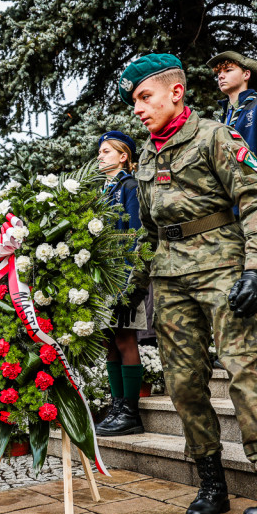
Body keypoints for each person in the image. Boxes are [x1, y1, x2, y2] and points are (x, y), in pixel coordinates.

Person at [118, 53, 257, 514]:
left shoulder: (214, 136)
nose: (137, 108)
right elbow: (148, 233)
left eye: (144, 97)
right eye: (134, 101)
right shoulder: (148, 157)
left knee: (245, 371)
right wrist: (131, 288)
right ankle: (211, 484)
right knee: (182, 384)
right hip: (171, 279)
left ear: (176, 92)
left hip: (224, 270)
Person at [209, 51, 257, 368]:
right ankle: (240, 345)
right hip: (227, 212)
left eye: (228, 70)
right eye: (218, 72)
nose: (221, 76)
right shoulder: (219, 120)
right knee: (233, 276)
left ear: (246, 74)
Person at [93, 131, 148, 437]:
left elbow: (137, 234)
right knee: (109, 341)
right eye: (100, 151)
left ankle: (131, 411)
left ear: (123, 156)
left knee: (125, 339)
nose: (100, 156)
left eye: (106, 151)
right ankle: (117, 406)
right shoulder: (103, 190)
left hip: (123, 277)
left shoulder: (129, 186)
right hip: (104, 278)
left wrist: (130, 281)